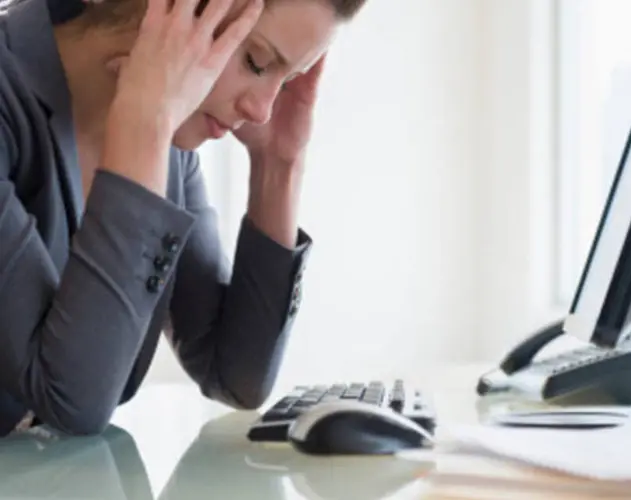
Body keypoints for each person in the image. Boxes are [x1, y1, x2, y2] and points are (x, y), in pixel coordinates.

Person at [0, 0, 366, 437]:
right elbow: (71, 400)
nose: (261, 110)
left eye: (286, 81)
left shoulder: (169, 141)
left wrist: (279, 164)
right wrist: (144, 125)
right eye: (256, 61)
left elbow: (233, 375)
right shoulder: (150, 123)